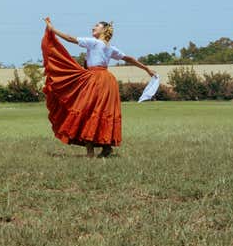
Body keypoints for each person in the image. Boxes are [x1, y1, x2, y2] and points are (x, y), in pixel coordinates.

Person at [42, 17, 155, 158]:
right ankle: (106, 147)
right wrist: (146, 69)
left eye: (97, 26)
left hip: (96, 79)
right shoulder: (110, 47)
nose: (93, 28)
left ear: (104, 30)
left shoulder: (94, 43)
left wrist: (53, 29)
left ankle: (90, 152)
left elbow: (71, 38)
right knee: (102, 112)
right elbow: (129, 58)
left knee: (87, 111)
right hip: (107, 81)